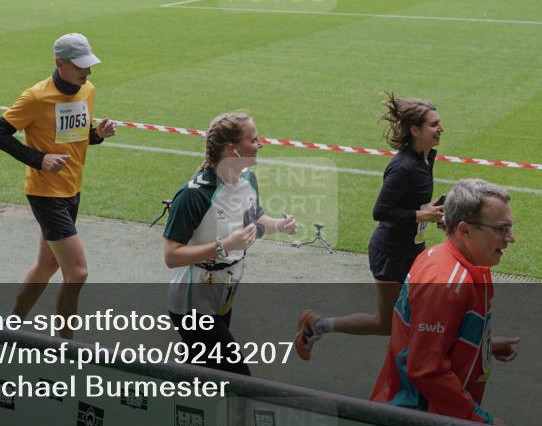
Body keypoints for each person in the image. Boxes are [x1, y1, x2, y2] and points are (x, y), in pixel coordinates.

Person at [294, 94, 445, 360]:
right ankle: (316, 325)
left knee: (430, 307)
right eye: (434, 124)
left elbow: (412, 205)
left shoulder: (425, 158)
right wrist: (421, 215)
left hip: (413, 249)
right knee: (386, 323)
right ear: (414, 129)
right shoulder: (403, 167)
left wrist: (432, 211)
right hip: (390, 254)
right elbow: (381, 212)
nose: (440, 128)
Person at [0, 33, 115, 339]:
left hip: (72, 189)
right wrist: (38, 159)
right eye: (81, 66)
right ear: (60, 63)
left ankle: (11, 325)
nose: (88, 72)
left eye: (89, 65)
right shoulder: (35, 97)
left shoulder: (88, 91)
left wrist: (98, 134)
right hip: (45, 194)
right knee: (78, 272)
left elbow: (77, 136)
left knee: (46, 265)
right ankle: (64, 347)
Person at [370, 178, 520, 425]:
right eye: (501, 229)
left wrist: (480, 343)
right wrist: (482, 422)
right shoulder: (447, 284)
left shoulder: (467, 263)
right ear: (464, 229)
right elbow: (426, 369)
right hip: (418, 422)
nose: (510, 238)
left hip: (434, 417)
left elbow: (428, 337)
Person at [162, 111, 297, 375]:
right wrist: (223, 245)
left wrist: (279, 225)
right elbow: (171, 256)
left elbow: (254, 217)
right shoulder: (194, 195)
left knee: (204, 370)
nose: (261, 144)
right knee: (237, 376)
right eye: (254, 139)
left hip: (224, 292)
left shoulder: (248, 179)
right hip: (193, 301)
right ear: (233, 149)